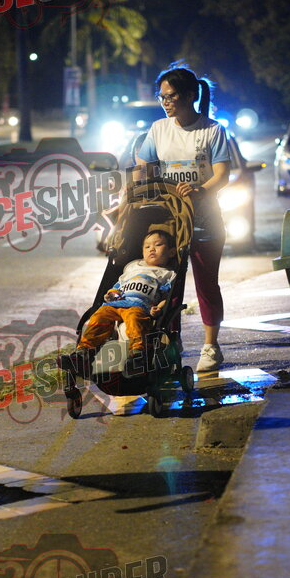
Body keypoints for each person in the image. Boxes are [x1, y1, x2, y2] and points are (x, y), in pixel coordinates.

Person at [136, 65, 236, 372]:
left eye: (171, 96)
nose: (165, 102)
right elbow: (142, 168)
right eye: (162, 97)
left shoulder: (213, 130)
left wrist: (200, 191)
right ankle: (171, 342)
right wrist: (137, 193)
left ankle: (211, 347)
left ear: (191, 95)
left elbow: (222, 175)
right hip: (170, 223)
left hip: (206, 221)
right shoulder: (158, 129)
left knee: (207, 284)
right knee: (167, 286)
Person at [59, 230, 176, 376]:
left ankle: (137, 355)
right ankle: (82, 353)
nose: (151, 249)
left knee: (135, 322)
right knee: (98, 318)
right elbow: (118, 285)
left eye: (158, 245)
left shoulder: (167, 274)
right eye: (147, 247)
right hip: (117, 303)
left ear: (171, 252)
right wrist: (111, 293)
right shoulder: (133, 267)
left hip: (139, 305)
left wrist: (158, 308)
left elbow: (168, 296)